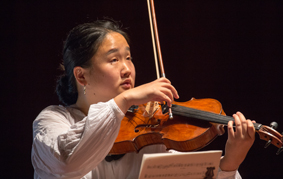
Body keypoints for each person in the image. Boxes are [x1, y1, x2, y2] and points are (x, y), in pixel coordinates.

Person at [31, 19, 255, 179]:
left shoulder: (147, 131)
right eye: (114, 60)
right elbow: (66, 162)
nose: (127, 69)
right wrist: (124, 100)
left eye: (128, 58)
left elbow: (188, 173)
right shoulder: (52, 121)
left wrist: (230, 162)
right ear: (81, 75)